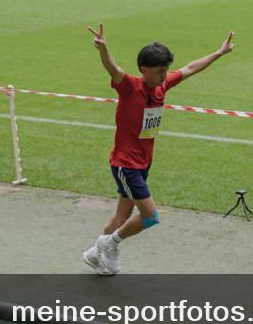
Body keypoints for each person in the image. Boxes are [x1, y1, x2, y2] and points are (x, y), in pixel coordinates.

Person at [82, 24, 235, 275]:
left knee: (121, 217)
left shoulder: (161, 86)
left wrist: (219, 52)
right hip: (126, 164)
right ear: (144, 70)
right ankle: (109, 245)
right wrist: (103, 49)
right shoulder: (130, 86)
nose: (164, 76)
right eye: (159, 72)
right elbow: (113, 68)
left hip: (143, 163)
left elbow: (190, 68)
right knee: (150, 217)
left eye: (165, 71)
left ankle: (96, 254)